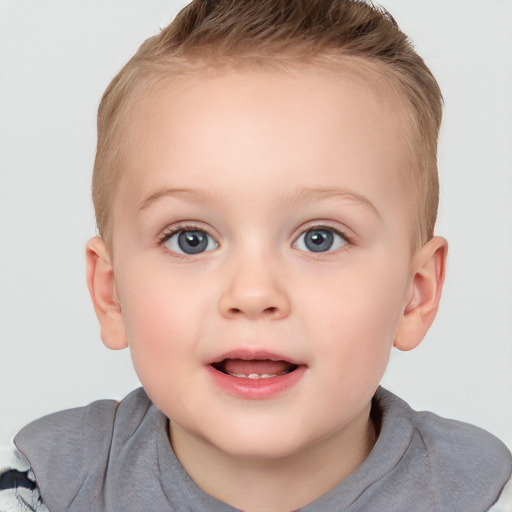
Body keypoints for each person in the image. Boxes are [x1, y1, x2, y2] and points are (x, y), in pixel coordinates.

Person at [1, 0, 510, 510]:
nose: (252, 293)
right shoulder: (45, 487)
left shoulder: (485, 494)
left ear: (414, 294)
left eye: (320, 238)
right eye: (191, 239)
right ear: (110, 293)